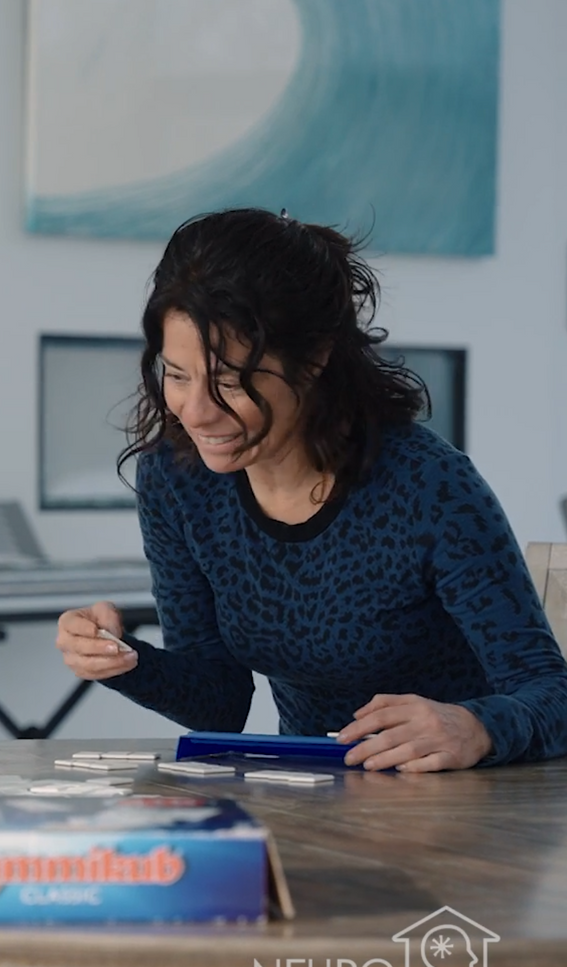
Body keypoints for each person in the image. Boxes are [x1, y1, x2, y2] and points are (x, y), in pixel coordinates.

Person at [55, 208, 567, 771]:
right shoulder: (178, 479)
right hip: (307, 800)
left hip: (458, 808)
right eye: (177, 376)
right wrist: (123, 660)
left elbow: (551, 694)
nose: (196, 412)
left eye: (230, 382)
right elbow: (219, 701)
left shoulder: (428, 487)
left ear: (314, 358)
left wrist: (476, 727)